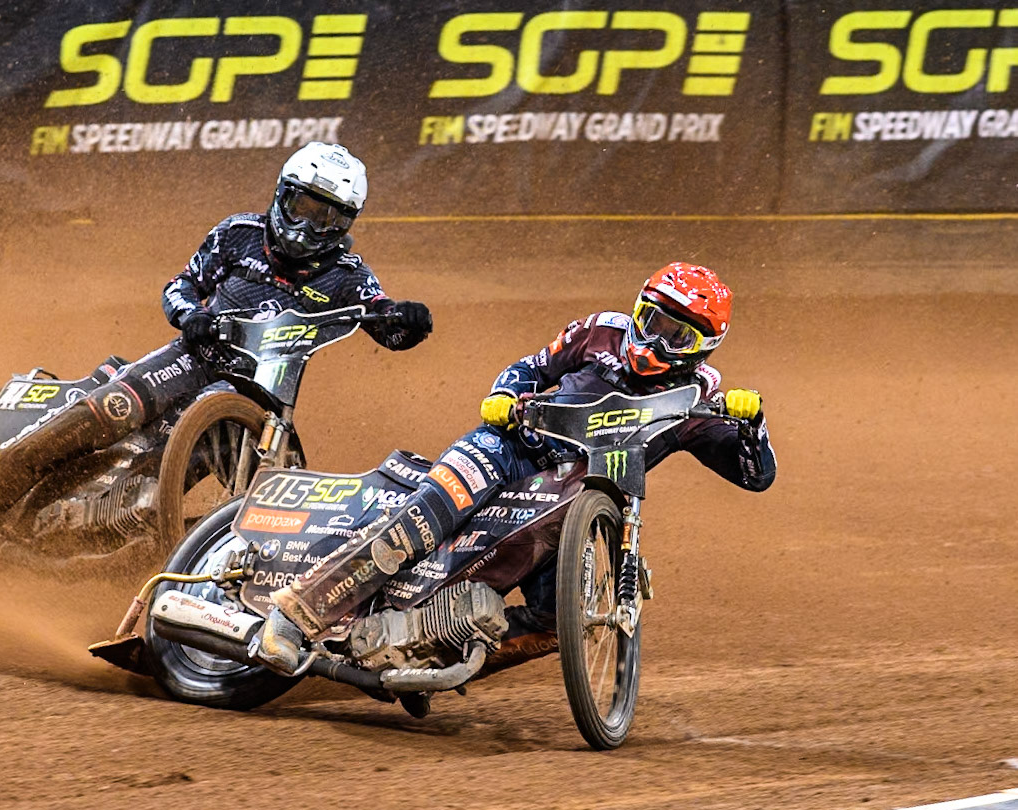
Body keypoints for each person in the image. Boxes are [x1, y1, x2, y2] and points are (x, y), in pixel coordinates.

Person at [255, 262, 776, 673]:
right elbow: (531, 367)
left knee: (560, 622)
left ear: (703, 346)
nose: (655, 341)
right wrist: (505, 395)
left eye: (676, 336)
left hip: (570, 501)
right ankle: (294, 616)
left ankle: (434, 654)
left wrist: (753, 424)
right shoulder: (601, 331)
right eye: (652, 321)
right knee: (423, 520)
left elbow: (755, 475)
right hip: (510, 447)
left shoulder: (699, 397)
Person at [0, 142, 433, 555]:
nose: (308, 226)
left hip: (259, 396)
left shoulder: (349, 276)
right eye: (303, 207)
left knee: (179, 482)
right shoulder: (238, 234)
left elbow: (384, 322)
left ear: (346, 222)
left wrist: (407, 322)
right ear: (282, 194)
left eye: (327, 216)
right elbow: (180, 285)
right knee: (112, 408)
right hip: (194, 358)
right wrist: (192, 316)